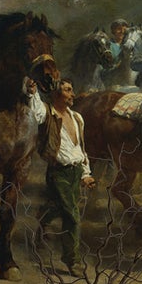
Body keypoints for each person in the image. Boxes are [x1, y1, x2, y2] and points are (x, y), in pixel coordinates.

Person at [40, 80, 96, 266]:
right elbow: (34, 108)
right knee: (72, 215)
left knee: (60, 207)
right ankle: (72, 259)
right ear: (56, 94)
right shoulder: (47, 114)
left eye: (72, 90)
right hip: (59, 172)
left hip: (76, 171)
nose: (72, 94)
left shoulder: (77, 118)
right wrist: (32, 90)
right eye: (67, 90)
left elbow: (81, 148)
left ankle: (43, 217)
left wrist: (85, 174)